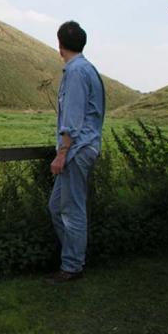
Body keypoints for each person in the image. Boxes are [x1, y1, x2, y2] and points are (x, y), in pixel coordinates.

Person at [46, 20, 105, 284]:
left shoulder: (76, 72)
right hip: (81, 148)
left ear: (60, 44)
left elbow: (72, 116)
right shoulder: (87, 69)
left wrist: (62, 152)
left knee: (71, 210)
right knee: (57, 207)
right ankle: (72, 258)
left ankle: (72, 266)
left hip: (77, 150)